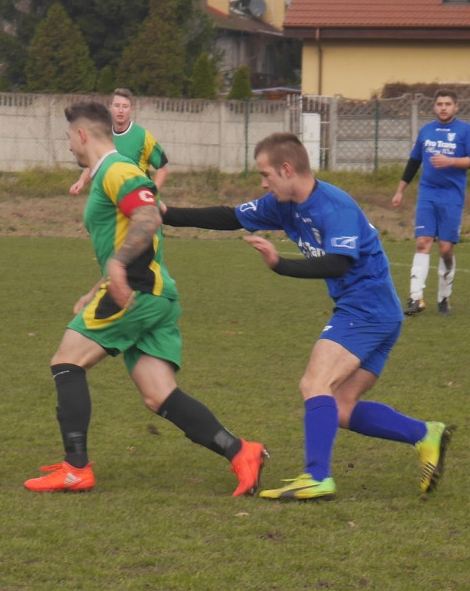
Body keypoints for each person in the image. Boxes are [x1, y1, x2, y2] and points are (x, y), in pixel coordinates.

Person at [161, 133, 451, 501]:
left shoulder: (335, 206)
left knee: (314, 384)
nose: (263, 183)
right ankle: (425, 434)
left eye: (266, 174)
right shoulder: (282, 203)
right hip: (375, 311)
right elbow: (230, 216)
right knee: (340, 407)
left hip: (366, 309)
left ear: (287, 169)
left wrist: (280, 264)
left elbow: (339, 262)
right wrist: (168, 214)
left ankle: (317, 476)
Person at [24, 100, 267, 496]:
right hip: (153, 292)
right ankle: (242, 452)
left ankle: (75, 468)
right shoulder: (111, 171)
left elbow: (149, 217)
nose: (68, 145)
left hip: (135, 292)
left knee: (67, 362)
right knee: (159, 395)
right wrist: (99, 283)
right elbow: (127, 234)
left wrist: (117, 270)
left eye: (69, 136)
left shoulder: (117, 170)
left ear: (83, 134)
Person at [391, 89, 470, 316]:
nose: (443, 107)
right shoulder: (426, 130)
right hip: (427, 193)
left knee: (445, 249)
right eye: (439, 104)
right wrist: (400, 191)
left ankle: (444, 297)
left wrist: (451, 161)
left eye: (447, 104)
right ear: (434, 107)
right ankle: (415, 298)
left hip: (452, 195)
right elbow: (413, 163)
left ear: (456, 107)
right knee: (423, 242)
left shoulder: (465, 130)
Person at [69, 88, 169, 196]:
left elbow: (162, 169)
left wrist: (151, 195)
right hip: (111, 201)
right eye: (117, 106)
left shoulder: (143, 136)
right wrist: (81, 181)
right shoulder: (102, 134)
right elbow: (95, 164)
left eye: (125, 106)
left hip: (136, 200)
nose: (120, 110)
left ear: (131, 109)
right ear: (110, 108)